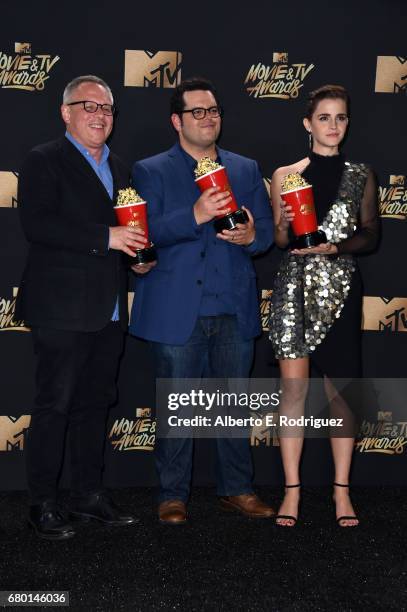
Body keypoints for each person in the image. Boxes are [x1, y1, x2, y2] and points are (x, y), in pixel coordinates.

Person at [129, 77, 275, 524]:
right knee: (177, 406)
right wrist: (194, 215)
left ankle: (238, 488)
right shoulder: (149, 170)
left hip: (232, 306)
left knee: (232, 405)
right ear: (177, 120)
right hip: (177, 310)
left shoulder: (246, 169)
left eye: (213, 111)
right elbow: (143, 233)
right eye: (198, 112)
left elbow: (266, 233)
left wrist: (252, 236)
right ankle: (172, 494)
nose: (208, 118)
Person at [16, 75, 154, 540]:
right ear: (65, 113)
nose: (99, 115)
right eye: (88, 106)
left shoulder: (121, 165)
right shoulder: (43, 160)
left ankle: (88, 495)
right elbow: (37, 224)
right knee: (55, 406)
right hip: (60, 308)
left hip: (109, 309)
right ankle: (42, 502)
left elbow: (128, 228)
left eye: (107, 109)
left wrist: (135, 259)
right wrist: (106, 238)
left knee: (95, 405)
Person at [269, 84, 379, 527]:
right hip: (294, 289)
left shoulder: (361, 174)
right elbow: (279, 241)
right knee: (293, 393)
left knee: (342, 397)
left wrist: (334, 248)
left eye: (341, 118)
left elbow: (371, 235)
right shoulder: (286, 174)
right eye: (324, 118)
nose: (333, 126)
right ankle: (291, 492)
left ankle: (341, 493)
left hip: (342, 290)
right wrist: (287, 223)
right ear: (307, 123)